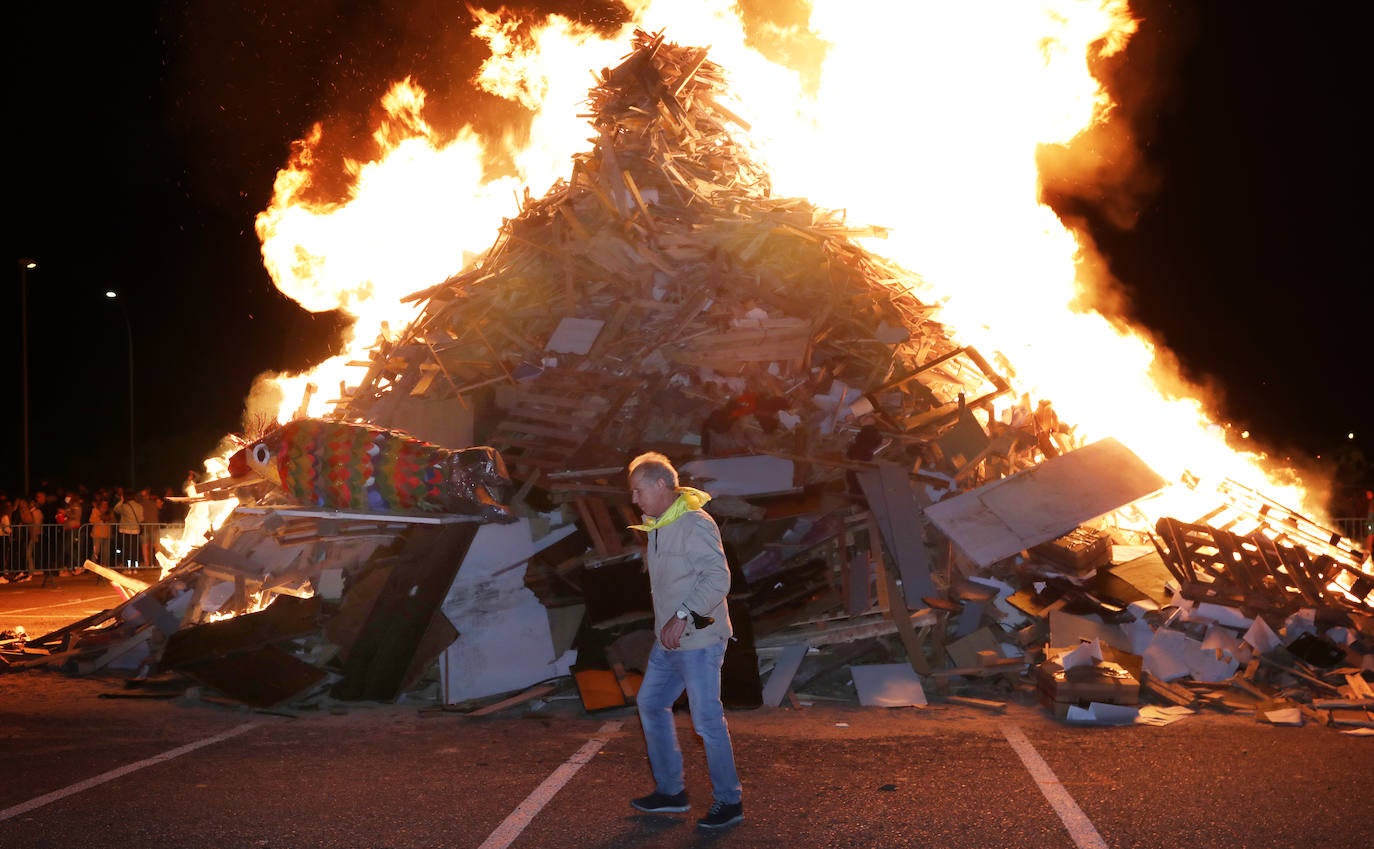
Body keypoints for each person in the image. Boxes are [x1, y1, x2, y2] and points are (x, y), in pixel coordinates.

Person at [625, 451, 743, 831]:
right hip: (670, 640)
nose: (634, 499)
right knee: (651, 703)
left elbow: (718, 578)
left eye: (638, 490)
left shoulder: (694, 523)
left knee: (707, 721)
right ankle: (671, 792)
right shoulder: (661, 523)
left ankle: (730, 801)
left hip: (699, 637)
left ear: (661, 485)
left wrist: (682, 616)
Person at [113, 490, 143, 569]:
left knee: (126, 549)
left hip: (125, 530)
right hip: (136, 530)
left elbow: (116, 509)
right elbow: (141, 519)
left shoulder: (124, 506)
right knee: (134, 550)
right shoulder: (139, 506)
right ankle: (134, 567)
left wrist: (121, 500)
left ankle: (127, 567)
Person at [89, 498, 113, 567]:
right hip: (97, 534)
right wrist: (100, 516)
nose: (105, 505)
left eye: (106, 504)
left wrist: (108, 517)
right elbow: (91, 520)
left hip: (107, 534)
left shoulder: (110, 512)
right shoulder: (95, 510)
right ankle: (92, 566)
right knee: (96, 551)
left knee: (106, 552)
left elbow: (113, 520)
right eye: (103, 504)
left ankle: (104, 566)